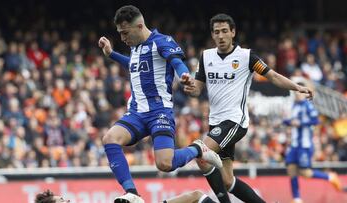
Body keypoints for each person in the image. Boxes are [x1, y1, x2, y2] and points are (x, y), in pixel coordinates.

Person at [184, 14, 314, 203]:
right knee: (228, 181)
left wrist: (297, 87)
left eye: (224, 31)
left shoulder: (247, 57)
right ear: (212, 35)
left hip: (235, 121)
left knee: (201, 153)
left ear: (233, 32)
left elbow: (274, 77)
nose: (221, 36)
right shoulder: (206, 56)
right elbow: (197, 89)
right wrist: (190, 87)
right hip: (216, 123)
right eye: (217, 32)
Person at [98, 5, 222, 203]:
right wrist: (111, 53)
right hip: (137, 113)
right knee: (109, 138)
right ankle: (132, 193)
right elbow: (133, 65)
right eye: (120, 34)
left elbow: (176, 61)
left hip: (159, 113)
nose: (122, 38)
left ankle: (198, 149)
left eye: (125, 33)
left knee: (165, 164)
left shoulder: (162, 42)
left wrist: (184, 74)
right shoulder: (135, 47)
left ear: (139, 26)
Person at [283, 80, 342, 203]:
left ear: (303, 93)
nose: (296, 94)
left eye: (299, 92)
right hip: (294, 144)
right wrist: (287, 121)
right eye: (295, 91)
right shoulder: (294, 105)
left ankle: (331, 176)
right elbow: (289, 121)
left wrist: (300, 123)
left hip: (304, 145)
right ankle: (297, 199)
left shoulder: (307, 106)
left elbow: (316, 121)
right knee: (291, 170)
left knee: (306, 173)